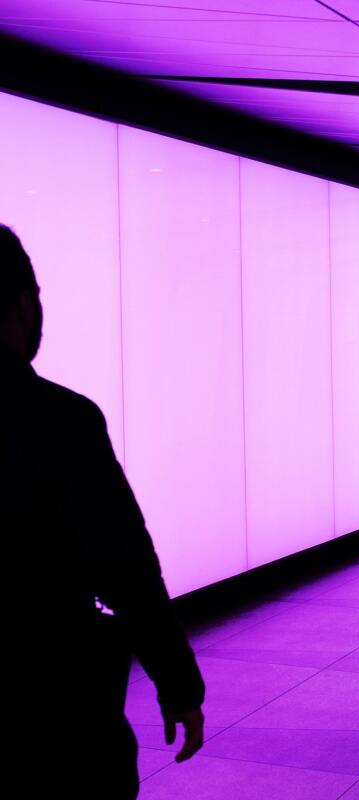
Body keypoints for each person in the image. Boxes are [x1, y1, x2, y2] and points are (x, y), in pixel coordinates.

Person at [1, 225, 205, 797]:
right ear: (22, 304)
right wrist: (178, 684)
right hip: (53, 715)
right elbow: (127, 569)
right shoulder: (59, 421)